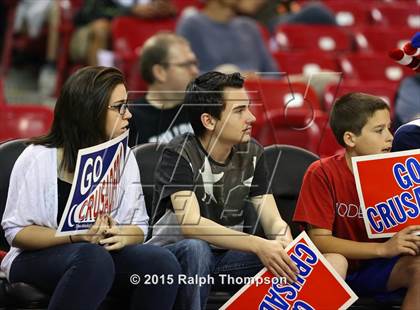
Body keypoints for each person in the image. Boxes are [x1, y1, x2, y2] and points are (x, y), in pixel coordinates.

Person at [147, 71, 346, 309]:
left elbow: (272, 220)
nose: (251, 117)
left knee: (315, 262)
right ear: (209, 121)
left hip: (226, 257)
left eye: (248, 108)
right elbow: (191, 225)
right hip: (173, 258)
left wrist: (284, 243)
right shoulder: (179, 152)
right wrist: (258, 244)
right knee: (197, 249)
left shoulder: (252, 152)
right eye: (240, 111)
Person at [1, 66, 180, 310]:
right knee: (92, 258)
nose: (128, 115)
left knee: (162, 263)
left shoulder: (124, 157)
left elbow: (140, 227)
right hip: (35, 257)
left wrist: (121, 234)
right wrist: (76, 236)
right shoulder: (37, 158)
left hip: (99, 254)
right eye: (119, 107)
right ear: (91, 111)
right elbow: (17, 233)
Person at [294, 92, 420, 308]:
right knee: (337, 261)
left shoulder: (402, 171)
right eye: (379, 130)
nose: (390, 137)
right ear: (350, 139)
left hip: (382, 269)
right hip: (338, 267)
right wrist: (383, 249)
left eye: (389, 128)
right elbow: (319, 240)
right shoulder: (322, 172)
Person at [128, 32, 198, 146]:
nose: (195, 71)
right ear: (159, 72)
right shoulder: (130, 119)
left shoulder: (202, 107)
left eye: (195, 63)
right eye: (186, 65)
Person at [176, 0, 277, 74]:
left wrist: (258, 78)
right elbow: (183, 74)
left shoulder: (250, 27)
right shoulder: (192, 25)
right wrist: (227, 78)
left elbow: (274, 73)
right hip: (214, 98)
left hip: (257, 95)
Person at [70, 0, 176, 66]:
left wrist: (166, 9)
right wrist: (131, 11)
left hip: (140, 30)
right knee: (100, 28)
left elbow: (171, 9)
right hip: (93, 28)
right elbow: (90, 13)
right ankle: (101, 89)